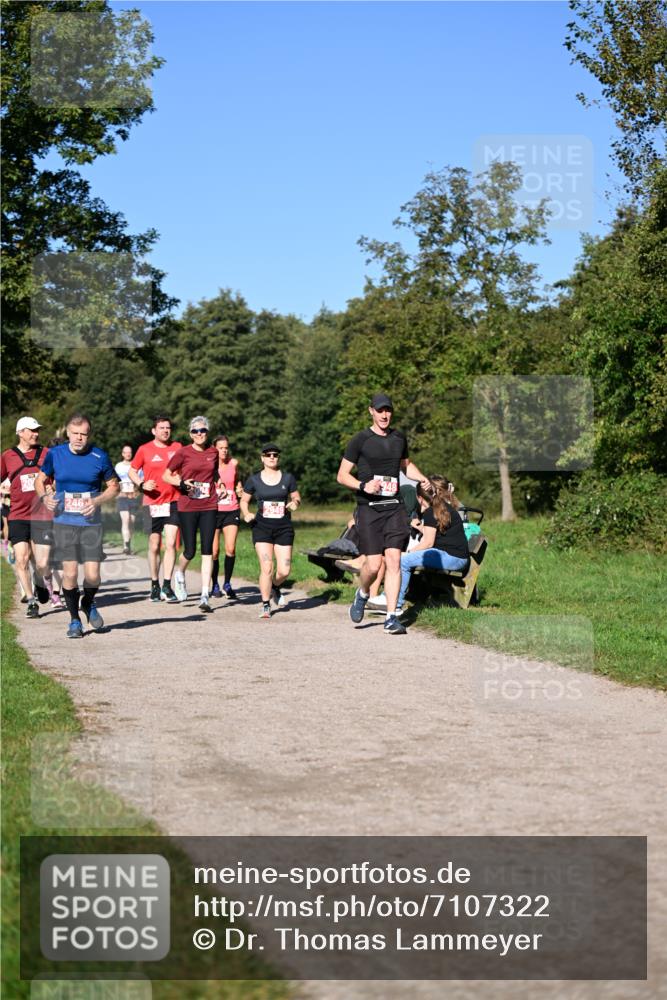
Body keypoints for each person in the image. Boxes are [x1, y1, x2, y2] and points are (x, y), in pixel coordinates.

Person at [336, 392, 429, 635]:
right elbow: (342, 475)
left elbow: (406, 466)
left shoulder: (399, 438)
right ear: (371, 411)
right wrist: (363, 486)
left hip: (394, 508)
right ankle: (363, 593)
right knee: (374, 565)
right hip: (369, 509)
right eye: (380, 410)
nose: (384, 414)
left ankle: (391, 617)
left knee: (394, 561)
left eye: (388, 410)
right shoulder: (360, 440)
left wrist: (423, 478)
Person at [35, 413, 119, 638]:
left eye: (84, 434)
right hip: (64, 522)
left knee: (93, 576)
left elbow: (114, 486)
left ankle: (87, 602)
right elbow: (39, 480)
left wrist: (97, 501)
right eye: (75, 434)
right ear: (68, 433)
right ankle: (74, 621)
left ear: (88, 435)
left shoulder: (99, 456)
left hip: (91, 523)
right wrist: (44, 497)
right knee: (70, 574)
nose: (79, 438)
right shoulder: (55, 454)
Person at [1, 417, 56, 619]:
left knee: (42, 563)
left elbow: (59, 476)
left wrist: (54, 487)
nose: (36, 433)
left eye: (37, 430)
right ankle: (31, 601)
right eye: (32, 430)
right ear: (20, 432)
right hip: (17, 515)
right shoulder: (7, 456)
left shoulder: (47, 453)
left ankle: (40, 581)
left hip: (42, 515)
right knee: (22, 558)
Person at [163, 415, 219, 613]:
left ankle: (205, 594)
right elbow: (165, 475)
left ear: (207, 432)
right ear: (190, 434)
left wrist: (219, 486)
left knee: (207, 550)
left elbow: (215, 475)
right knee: (190, 551)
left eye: (203, 430)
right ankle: (180, 573)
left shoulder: (214, 452)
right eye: (195, 431)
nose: (199, 434)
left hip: (209, 505)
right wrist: (180, 483)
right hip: (187, 505)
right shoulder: (183, 452)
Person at [240, 443, 300, 619]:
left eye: (275, 455)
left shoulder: (288, 478)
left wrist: (295, 503)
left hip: (283, 528)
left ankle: (274, 586)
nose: (272, 457)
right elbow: (244, 501)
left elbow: (296, 496)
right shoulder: (254, 480)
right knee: (267, 567)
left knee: (284, 571)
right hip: (262, 527)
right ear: (262, 458)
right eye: (268, 455)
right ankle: (266, 604)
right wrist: (246, 513)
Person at [396, 476, 470, 614]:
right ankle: (400, 598)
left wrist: (410, 552)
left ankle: (395, 605)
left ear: (419, 498)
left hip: (452, 557)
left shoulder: (431, 512)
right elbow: (435, 535)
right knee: (406, 560)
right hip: (457, 556)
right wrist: (420, 528)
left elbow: (428, 542)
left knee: (404, 561)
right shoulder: (441, 508)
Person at [128, 416, 181, 603]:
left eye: (168, 428)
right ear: (154, 431)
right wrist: (141, 484)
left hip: (174, 501)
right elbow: (132, 470)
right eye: (161, 428)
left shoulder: (177, 448)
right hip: (152, 503)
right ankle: (154, 584)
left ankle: (167, 585)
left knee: (171, 543)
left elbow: (185, 469)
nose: (165, 431)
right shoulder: (144, 449)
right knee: (154, 545)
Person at [211, 435, 241, 599]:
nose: (224, 450)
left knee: (230, 548)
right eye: (220, 448)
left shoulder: (234, 463)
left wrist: (239, 488)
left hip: (231, 509)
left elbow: (237, 481)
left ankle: (227, 583)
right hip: (213, 511)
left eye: (226, 448)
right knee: (214, 551)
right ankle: (214, 584)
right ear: (214, 448)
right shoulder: (209, 465)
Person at [115, 445, 140, 556]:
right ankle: (126, 546)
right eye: (126, 452)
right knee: (125, 520)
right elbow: (114, 481)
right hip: (122, 497)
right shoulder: (118, 466)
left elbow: (141, 481)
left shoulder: (137, 465)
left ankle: (130, 543)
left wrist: (136, 491)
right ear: (122, 454)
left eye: (130, 452)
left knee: (132, 522)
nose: (128, 454)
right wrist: (118, 491)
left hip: (133, 497)